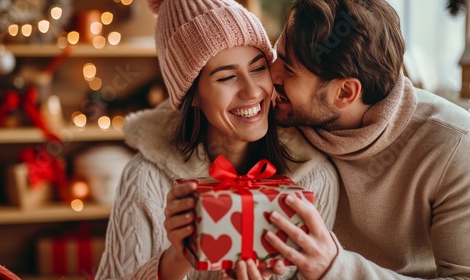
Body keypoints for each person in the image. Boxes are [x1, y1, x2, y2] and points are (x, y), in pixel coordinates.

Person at [95, 0, 339, 279]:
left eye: (258, 68)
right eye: (226, 78)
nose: (251, 91)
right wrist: (175, 260)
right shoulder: (145, 180)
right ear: (193, 95)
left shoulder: (314, 180)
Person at [262, 0, 470, 279]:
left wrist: (336, 269)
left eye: (288, 68)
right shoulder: (276, 115)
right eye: (277, 54)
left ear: (345, 92)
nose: (270, 74)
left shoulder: (454, 145)